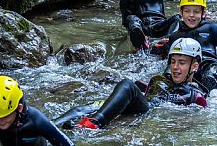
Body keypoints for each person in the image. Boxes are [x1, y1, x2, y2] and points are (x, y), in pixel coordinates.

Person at [68, 38, 208, 130]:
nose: (175, 67)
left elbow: (200, 117)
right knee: (80, 110)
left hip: (148, 112)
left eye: (182, 63)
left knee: (127, 85)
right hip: (143, 106)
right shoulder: (161, 80)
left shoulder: (195, 95)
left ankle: (94, 123)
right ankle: (50, 126)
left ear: (194, 67)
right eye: (173, 62)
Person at [153, 0, 217, 93]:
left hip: (208, 64)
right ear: (181, 13)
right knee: (168, 75)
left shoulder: (211, 28)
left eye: (196, 11)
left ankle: (211, 95)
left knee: (209, 76)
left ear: (203, 13)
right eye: (187, 11)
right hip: (187, 67)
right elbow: (172, 60)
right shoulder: (175, 35)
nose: (191, 15)